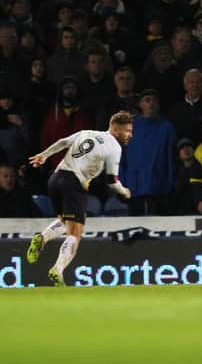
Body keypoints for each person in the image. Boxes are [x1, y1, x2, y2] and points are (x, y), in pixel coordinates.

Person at [26, 111, 133, 286]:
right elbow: (111, 181)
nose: (130, 135)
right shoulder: (115, 147)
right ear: (115, 129)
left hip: (55, 178)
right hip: (73, 183)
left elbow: (63, 143)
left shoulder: (86, 133)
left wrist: (44, 155)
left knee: (65, 220)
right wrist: (125, 192)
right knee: (75, 234)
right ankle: (58, 270)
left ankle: (43, 237)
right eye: (127, 131)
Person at [120, 89, 175, 215]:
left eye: (154, 100)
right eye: (147, 100)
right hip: (134, 184)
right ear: (140, 104)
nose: (151, 104)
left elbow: (170, 158)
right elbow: (121, 156)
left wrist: (169, 183)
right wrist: (122, 181)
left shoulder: (167, 127)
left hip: (159, 185)